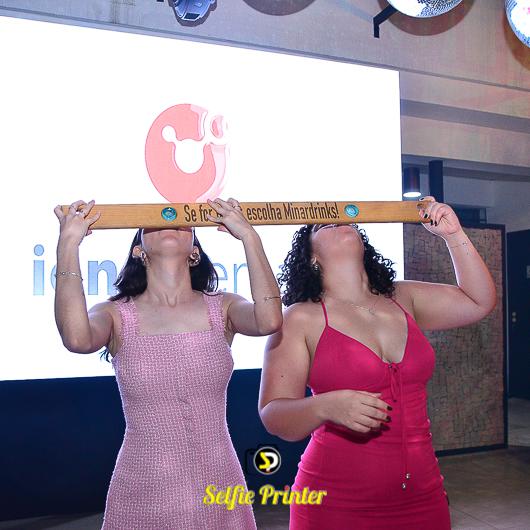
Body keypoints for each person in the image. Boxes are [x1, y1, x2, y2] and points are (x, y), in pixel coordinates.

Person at [258, 197, 496, 530]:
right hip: (336, 503)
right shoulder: (300, 318)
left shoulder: (402, 298)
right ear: (311, 256)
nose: (338, 219)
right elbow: (273, 414)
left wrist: (453, 235)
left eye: (345, 217)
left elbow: (478, 302)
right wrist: (325, 406)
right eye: (323, 222)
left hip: (423, 496)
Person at [54, 197, 282, 530]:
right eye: (154, 218)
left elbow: (269, 320)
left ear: (195, 250)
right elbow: (76, 338)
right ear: (139, 250)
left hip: (219, 486)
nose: (169, 219)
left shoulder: (223, 308)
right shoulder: (115, 314)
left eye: (181, 218)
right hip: (142, 490)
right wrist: (68, 245)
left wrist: (249, 236)